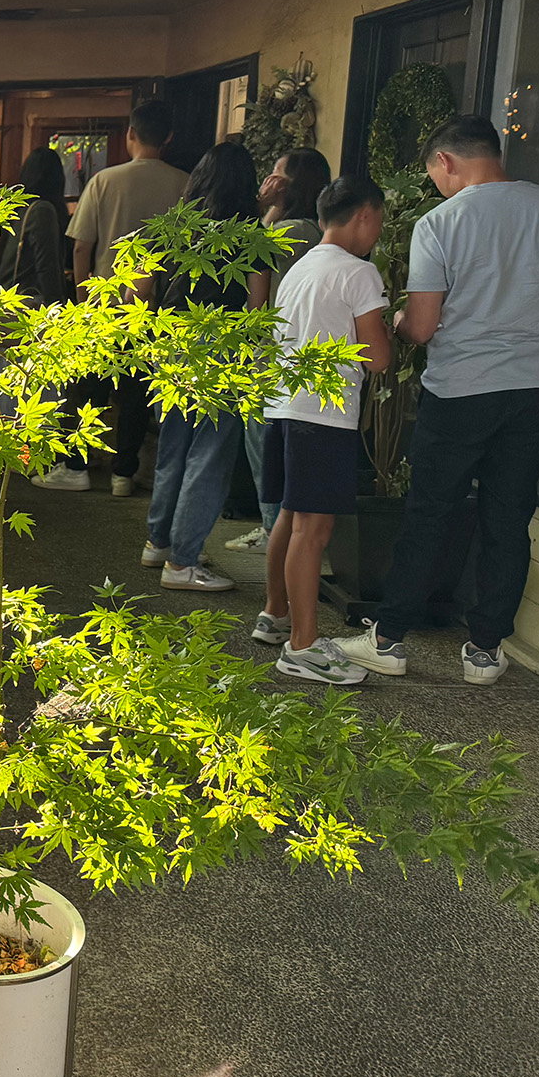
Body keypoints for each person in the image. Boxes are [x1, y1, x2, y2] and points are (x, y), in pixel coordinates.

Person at [334, 116, 539, 686]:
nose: (436, 187)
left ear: (446, 162)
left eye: (434, 176)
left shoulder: (441, 222)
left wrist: (398, 320)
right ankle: (484, 649)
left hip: (463, 390)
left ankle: (390, 638)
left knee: (431, 511)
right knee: (509, 514)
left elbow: (422, 327)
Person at [256, 176, 392, 684]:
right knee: (314, 529)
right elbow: (377, 358)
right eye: (378, 221)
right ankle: (304, 647)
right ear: (364, 214)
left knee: (291, 517)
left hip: (285, 404)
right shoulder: (358, 273)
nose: (378, 232)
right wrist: (393, 326)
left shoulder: (300, 268)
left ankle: (276, 615)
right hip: (324, 412)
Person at [35, 98, 188, 495]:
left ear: (130, 134)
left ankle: (78, 467)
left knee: (91, 390)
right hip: (156, 307)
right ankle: (124, 472)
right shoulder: (184, 184)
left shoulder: (104, 181)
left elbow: (82, 247)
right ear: (168, 138)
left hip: (105, 302)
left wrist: (86, 295)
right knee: (138, 392)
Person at [142, 142, 261, 592]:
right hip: (224, 345)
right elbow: (257, 304)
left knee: (173, 447)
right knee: (208, 456)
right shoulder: (250, 232)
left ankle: (159, 543)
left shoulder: (170, 227)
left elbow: (137, 291)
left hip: (171, 342)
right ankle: (184, 560)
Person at [228, 147, 334, 554]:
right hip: (303, 355)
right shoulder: (314, 230)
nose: (269, 179)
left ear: (291, 183)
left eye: (276, 173)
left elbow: (253, 269)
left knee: (263, 446)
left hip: (271, 352)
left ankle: (273, 531)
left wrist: (262, 206)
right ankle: (278, 531)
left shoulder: (289, 232)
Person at [0, 146, 70, 308]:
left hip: (8, 301)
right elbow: (46, 264)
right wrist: (57, 307)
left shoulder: (18, 210)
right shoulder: (42, 210)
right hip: (29, 304)